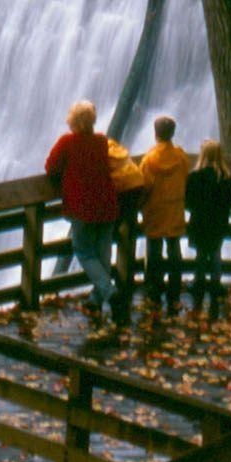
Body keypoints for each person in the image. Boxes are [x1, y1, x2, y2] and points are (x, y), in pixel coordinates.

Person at [45, 100, 119, 316]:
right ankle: (96, 301)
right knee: (103, 255)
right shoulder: (101, 141)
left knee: (85, 252)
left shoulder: (67, 142)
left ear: (73, 120)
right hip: (107, 204)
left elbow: (51, 168)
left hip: (82, 207)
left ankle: (109, 291)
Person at [139, 115, 190, 309]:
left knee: (154, 252)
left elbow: (144, 187)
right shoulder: (181, 157)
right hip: (175, 209)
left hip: (155, 210)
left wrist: (139, 206)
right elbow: (186, 179)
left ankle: (154, 292)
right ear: (172, 134)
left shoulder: (149, 160)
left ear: (155, 134)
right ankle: (174, 293)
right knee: (174, 251)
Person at [186, 139, 231, 307]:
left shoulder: (194, 176)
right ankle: (216, 283)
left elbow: (188, 201)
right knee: (215, 252)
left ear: (203, 155)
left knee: (200, 253)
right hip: (218, 222)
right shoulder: (225, 178)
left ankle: (198, 282)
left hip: (199, 221)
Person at [107, 138, 146, 315]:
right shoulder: (118, 149)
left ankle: (119, 283)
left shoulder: (102, 154)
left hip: (123, 191)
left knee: (116, 234)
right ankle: (125, 278)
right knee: (128, 230)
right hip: (137, 186)